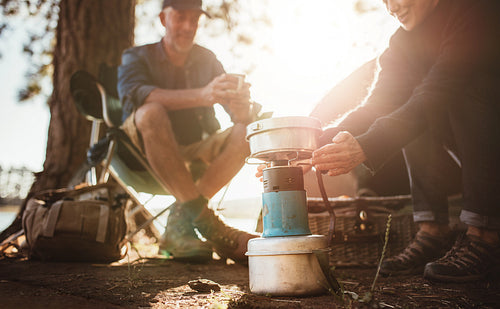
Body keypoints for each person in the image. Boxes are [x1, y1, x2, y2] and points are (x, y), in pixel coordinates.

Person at [312, 0, 500, 282]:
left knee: (451, 93)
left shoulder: (479, 11)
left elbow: (440, 90)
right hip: (470, 152)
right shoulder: (402, 43)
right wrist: (313, 144)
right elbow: (380, 105)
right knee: (408, 110)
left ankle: (486, 235)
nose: (391, 7)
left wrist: (367, 146)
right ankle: (432, 233)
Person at [117, 0, 259, 263]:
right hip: (142, 152)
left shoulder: (208, 59)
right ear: (163, 19)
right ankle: (210, 225)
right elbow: (139, 95)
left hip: (197, 149)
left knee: (249, 130)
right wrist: (204, 95)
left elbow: (239, 118)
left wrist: (242, 106)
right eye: (180, 17)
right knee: (151, 111)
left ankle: (180, 222)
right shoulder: (135, 56)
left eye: (194, 19)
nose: (188, 26)